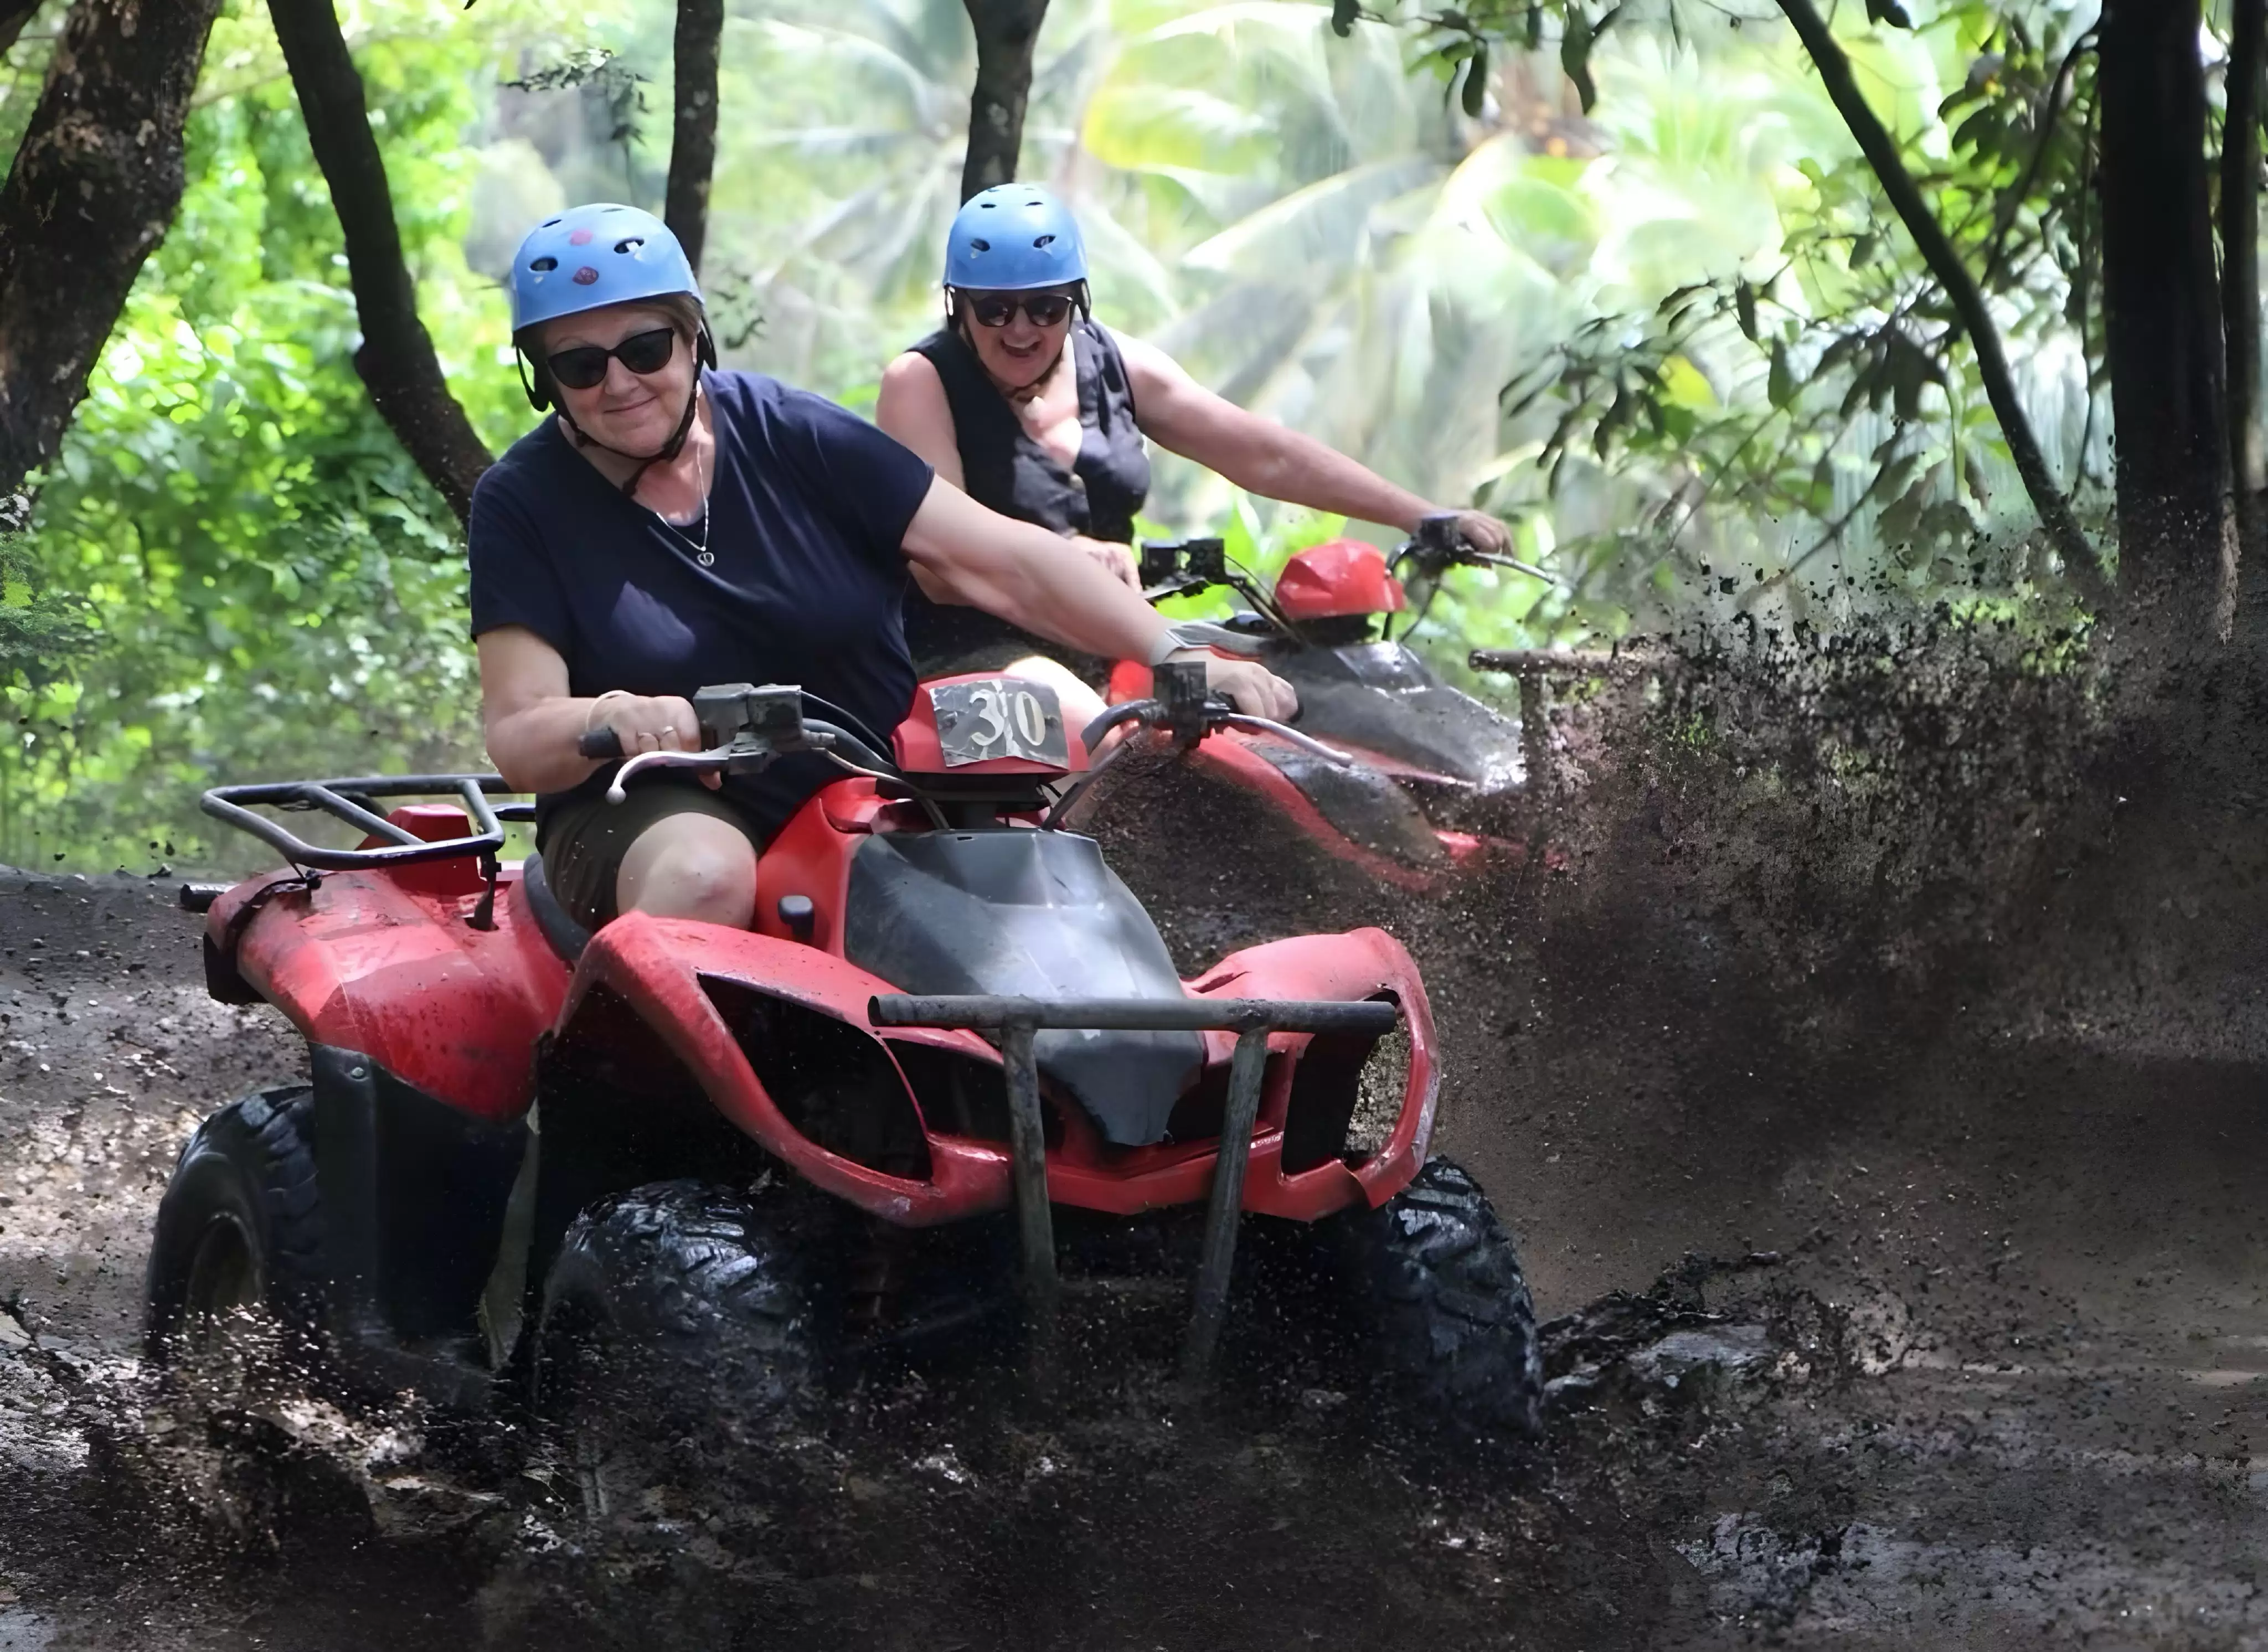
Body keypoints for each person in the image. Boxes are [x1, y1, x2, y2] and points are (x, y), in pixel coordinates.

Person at [470, 203, 1296, 932]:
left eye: (645, 349)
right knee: (705, 875)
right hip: (658, 802)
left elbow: (1006, 559)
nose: (619, 383)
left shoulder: (796, 436)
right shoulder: (523, 502)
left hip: (871, 783)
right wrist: (614, 717)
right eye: (581, 366)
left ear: (694, 339)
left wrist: (1174, 656)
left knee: (1078, 847)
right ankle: (625, 1104)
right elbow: (518, 730)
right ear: (544, 379)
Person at [875, 183, 1512, 720]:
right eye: (995, 311)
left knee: (1295, 714)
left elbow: (1264, 454)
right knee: (1090, 732)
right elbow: (943, 565)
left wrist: (1422, 515)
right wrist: (1072, 554)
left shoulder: (1112, 360)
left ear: (1075, 300)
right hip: (974, 658)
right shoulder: (920, 382)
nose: (1021, 330)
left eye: (1044, 307)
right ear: (960, 307)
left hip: (1122, 640)